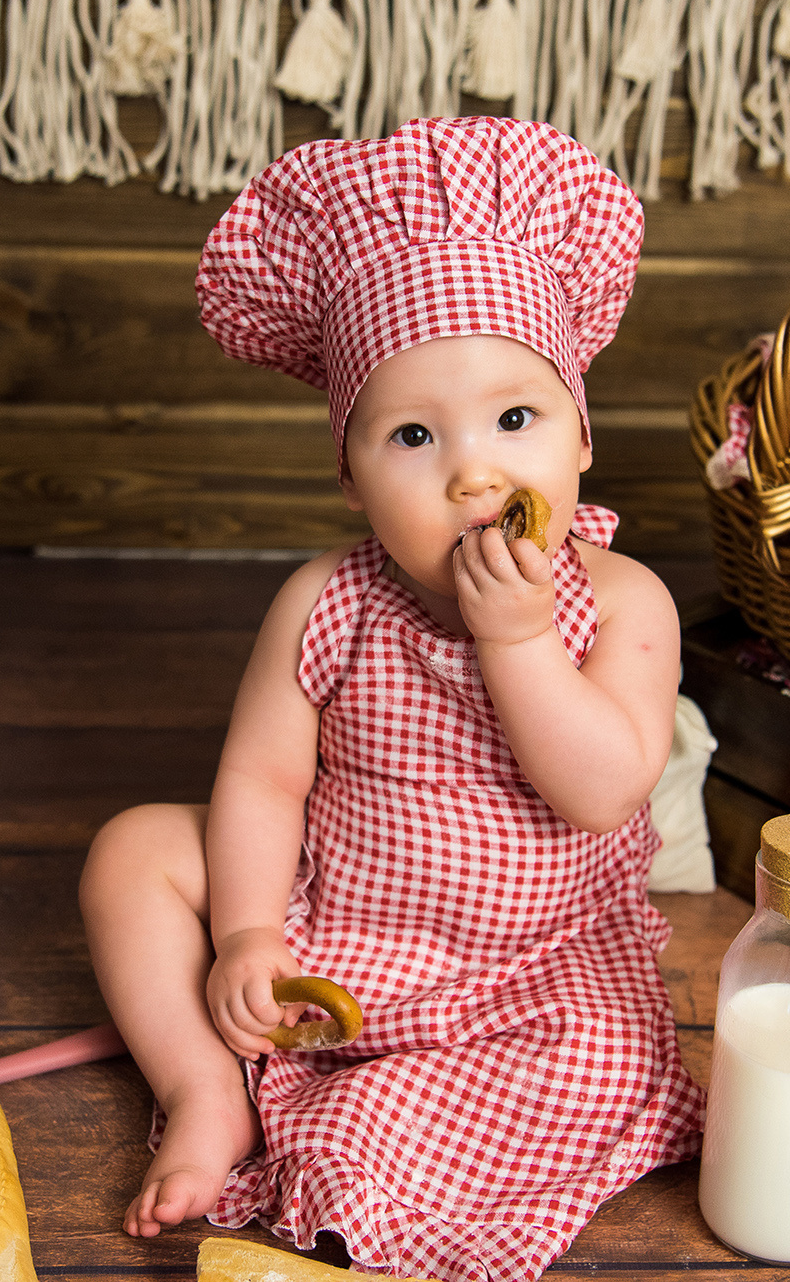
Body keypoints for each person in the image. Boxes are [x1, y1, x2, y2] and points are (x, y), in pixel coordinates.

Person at [78, 116, 704, 1282]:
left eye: (515, 419)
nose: (473, 471)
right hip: (341, 930)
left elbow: (601, 787)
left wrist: (513, 639)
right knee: (133, 851)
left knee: (608, 1052)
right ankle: (205, 1088)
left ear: (580, 440)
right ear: (351, 473)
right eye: (413, 434)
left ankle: (373, 1136)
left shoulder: (621, 601)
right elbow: (264, 779)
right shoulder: (325, 600)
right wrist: (249, 934)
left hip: (530, 968)